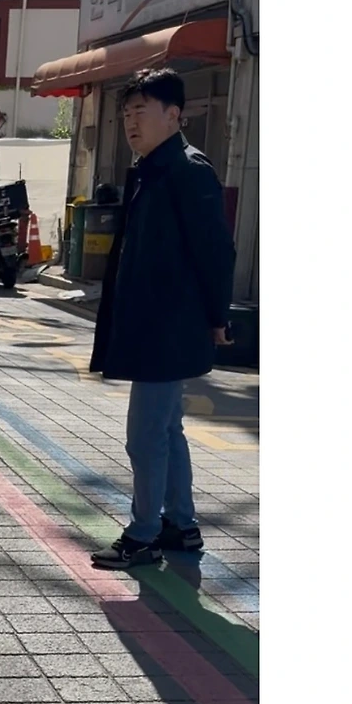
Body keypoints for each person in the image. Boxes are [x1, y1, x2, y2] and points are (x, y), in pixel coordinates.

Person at [88, 69, 236, 570]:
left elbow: (216, 251)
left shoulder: (187, 170)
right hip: (154, 323)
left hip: (168, 327)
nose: (131, 122)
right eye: (126, 113)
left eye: (141, 111)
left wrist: (218, 316)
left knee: (146, 435)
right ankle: (180, 525)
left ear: (173, 115)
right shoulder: (153, 168)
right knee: (168, 429)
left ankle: (143, 535)